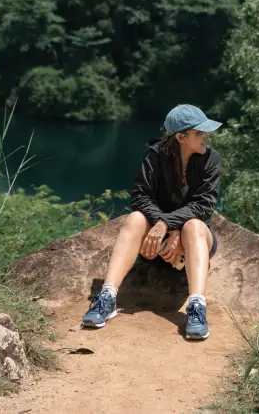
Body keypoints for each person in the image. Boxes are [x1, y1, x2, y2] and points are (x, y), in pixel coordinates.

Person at [81, 104, 222, 341]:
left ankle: (196, 308)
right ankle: (107, 297)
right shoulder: (155, 155)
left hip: (191, 240)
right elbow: (140, 196)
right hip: (154, 243)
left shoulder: (211, 160)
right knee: (135, 219)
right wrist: (162, 226)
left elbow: (204, 206)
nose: (206, 136)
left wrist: (170, 226)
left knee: (195, 226)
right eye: (200, 132)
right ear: (181, 137)